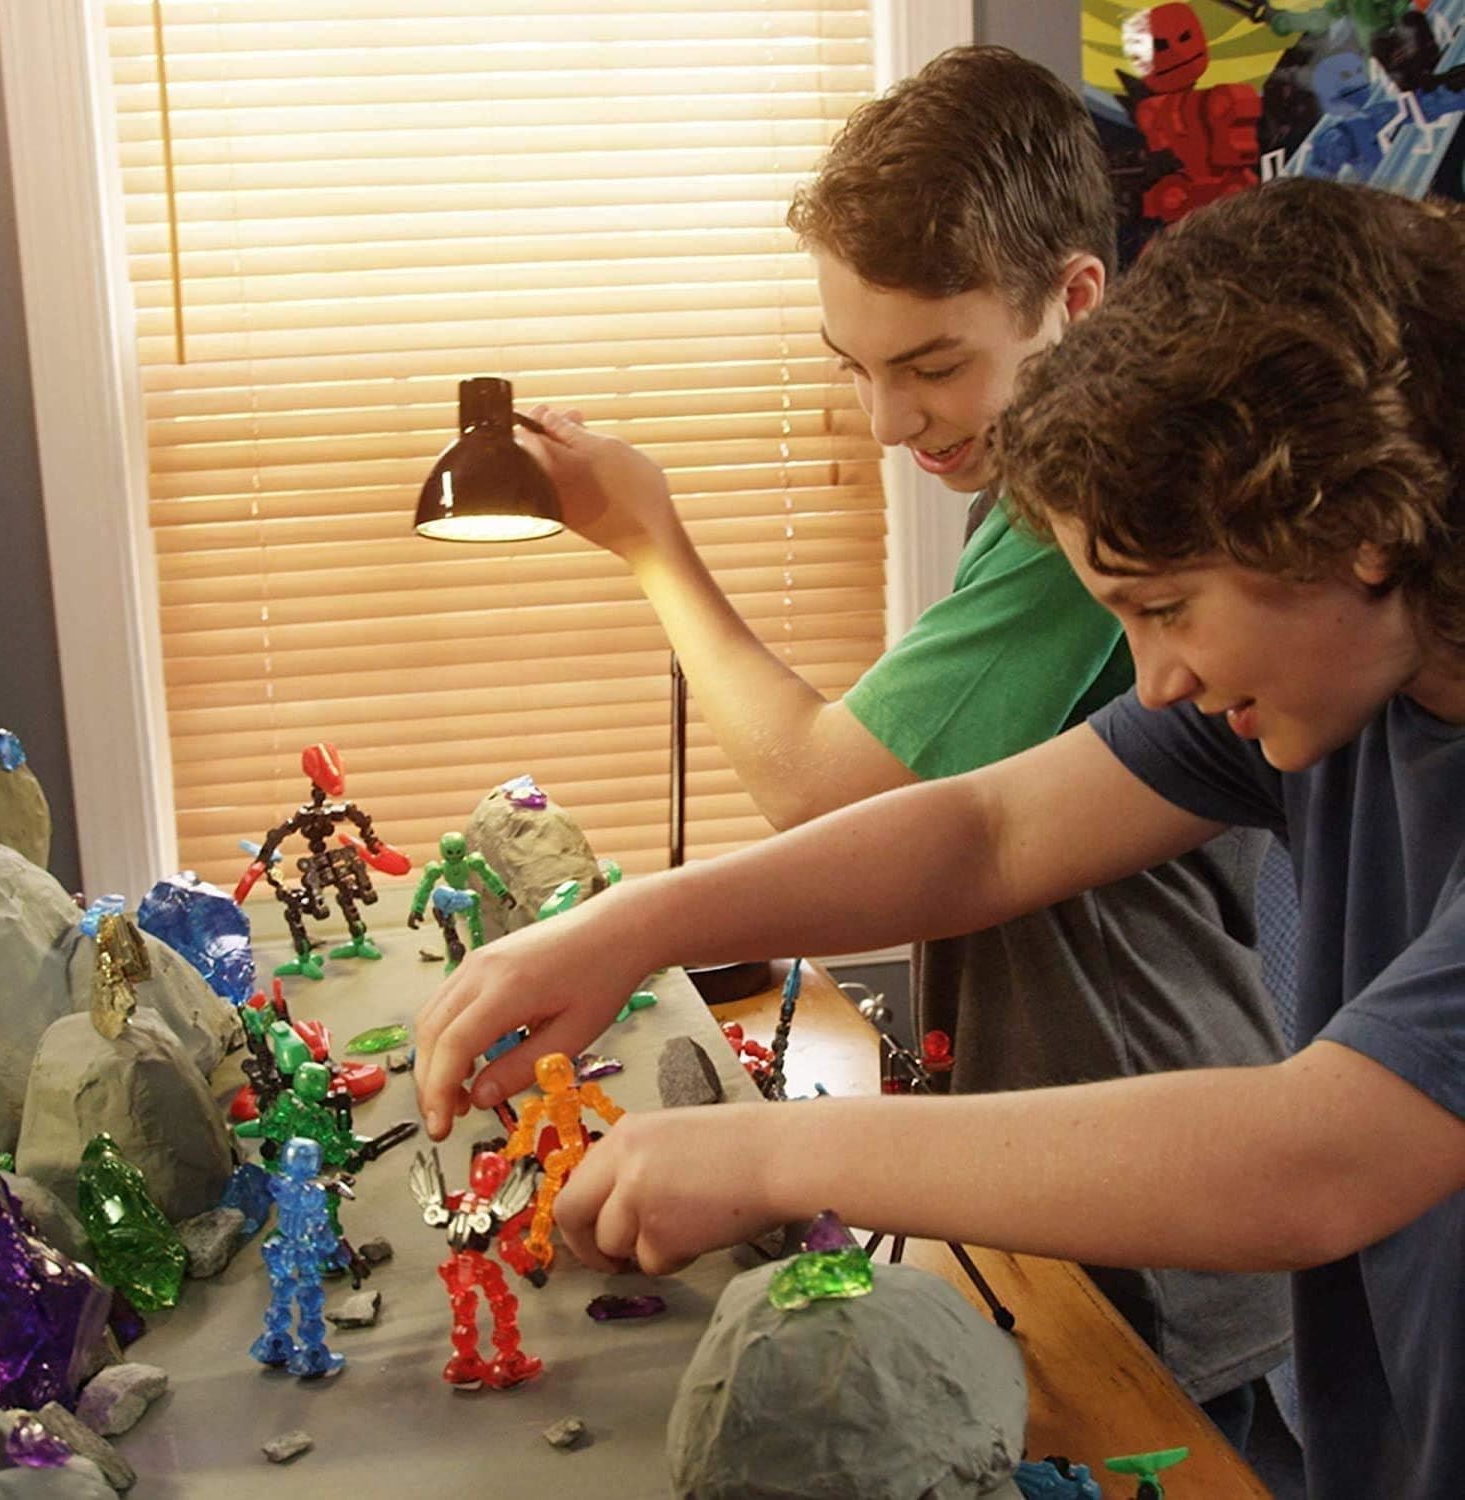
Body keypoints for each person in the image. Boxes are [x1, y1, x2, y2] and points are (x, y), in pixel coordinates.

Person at [414, 177, 1465, 1500]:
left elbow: (1317, 1159)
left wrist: (775, 1155)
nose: (1155, 681)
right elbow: (991, 827)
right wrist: (629, 927)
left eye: (1167, 610)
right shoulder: (1337, 675)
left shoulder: (1314, 673)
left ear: (1356, 532)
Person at [507, 45, 1289, 1431]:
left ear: (1076, 301)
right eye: (855, 369)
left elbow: (827, 789)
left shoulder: (1080, 528)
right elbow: (977, 831)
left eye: (932, 366)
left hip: (1148, 1162)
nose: (885, 421)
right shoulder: (1052, 517)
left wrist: (649, 541)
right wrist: (636, 925)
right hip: (1051, 1139)